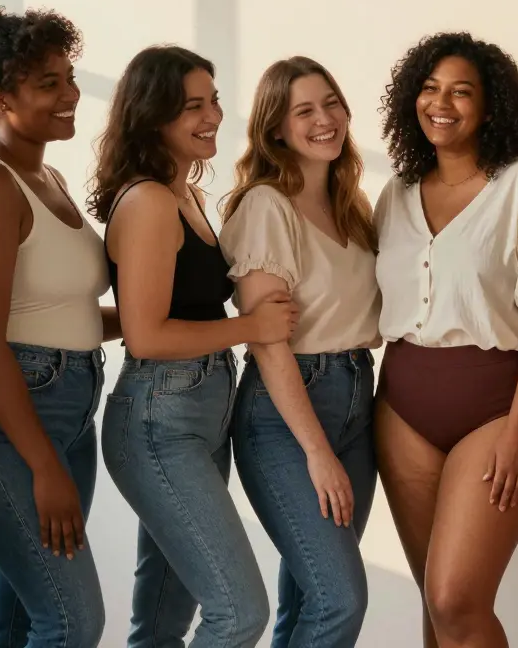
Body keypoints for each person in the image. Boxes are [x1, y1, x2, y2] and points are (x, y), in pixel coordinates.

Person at [90, 45, 296, 648]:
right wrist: (251, 327)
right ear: (153, 116)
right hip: (161, 419)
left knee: (163, 622)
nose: (212, 117)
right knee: (239, 613)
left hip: (201, 412)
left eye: (214, 101)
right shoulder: (150, 201)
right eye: (192, 107)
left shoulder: (188, 196)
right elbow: (148, 335)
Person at [374, 31, 518, 648]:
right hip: (402, 411)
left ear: (490, 107)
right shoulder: (396, 192)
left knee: (457, 599)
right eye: (430, 88)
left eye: (461, 91)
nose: (441, 103)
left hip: (496, 409)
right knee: (436, 606)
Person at [0, 0, 113, 647]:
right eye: (48, 84)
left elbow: (61, 313)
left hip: (71, 410)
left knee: (19, 621)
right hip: (2, 424)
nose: (70, 95)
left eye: (70, 78)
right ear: (0, 96)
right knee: (71, 620)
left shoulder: (51, 176)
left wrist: (165, 319)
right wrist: (42, 465)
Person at [219, 55, 382, 648]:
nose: (324, 119)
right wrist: (316, 450)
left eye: (331, 103)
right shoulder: (268, 206)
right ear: (276, 129)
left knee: (310, 597)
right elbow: (267, 340)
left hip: (357, 398)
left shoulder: (351, 206)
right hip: (287, 413)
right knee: (340, 599)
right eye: (304, 111)